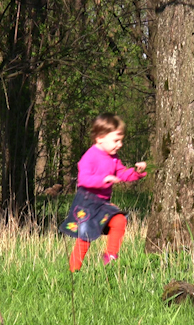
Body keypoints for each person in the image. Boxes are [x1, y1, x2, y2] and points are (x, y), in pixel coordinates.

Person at [59, 113, 147, 272]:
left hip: (102, 203)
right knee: (85, 236)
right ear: (100, 138)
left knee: (120, 220)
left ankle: (110, 257)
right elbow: (83, 179)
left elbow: (122, 174)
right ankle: (73, 271)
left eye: (121, 140)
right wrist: (103, 179)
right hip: (86, 202)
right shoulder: (90, 156)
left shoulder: (113, 158)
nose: (119, 144)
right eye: (116, 140)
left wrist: (137, 172)